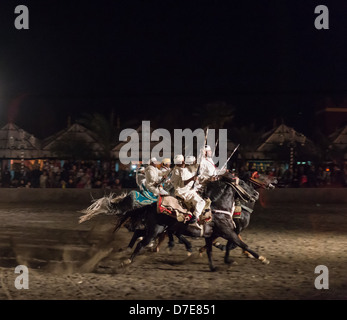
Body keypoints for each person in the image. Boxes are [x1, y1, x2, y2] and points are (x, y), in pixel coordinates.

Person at [172, 154, 206, 229]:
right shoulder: (180, 171)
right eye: (182, 161)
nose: (184, 162)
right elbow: (183, 183)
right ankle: (194, 219)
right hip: (184, 193)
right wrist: (192, 179)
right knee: (201, 202)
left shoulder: (182, 169)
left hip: (188, 190)